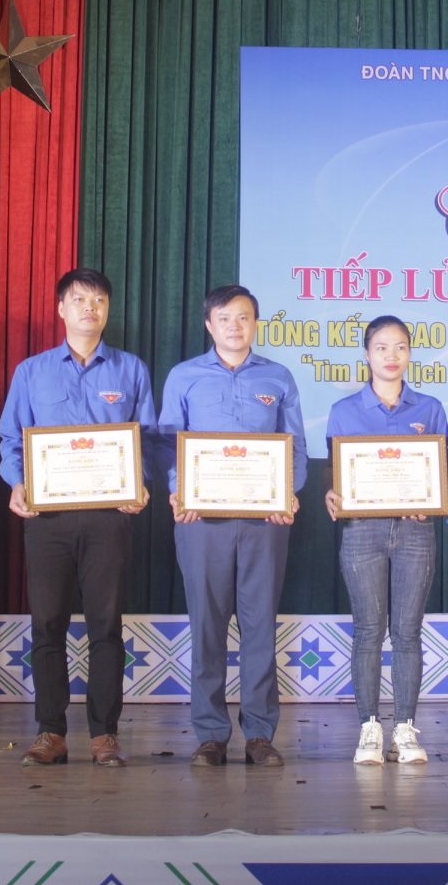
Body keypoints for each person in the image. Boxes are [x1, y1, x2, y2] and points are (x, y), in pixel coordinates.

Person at [0, 269, 155, 767]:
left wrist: (140, 482)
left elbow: (148, 439)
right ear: (61, 309)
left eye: (99, 299)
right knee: (47, 624)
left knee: (106, 626)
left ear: (108, 309)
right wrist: (17, 483)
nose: (91, 307)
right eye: (80, 299)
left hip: (110, 517)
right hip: (48, 518)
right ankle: (50, 732)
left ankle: (105, 734)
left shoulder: (131, 370)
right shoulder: (31, 372)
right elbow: (11, 439)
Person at [163, 284, 307, 767]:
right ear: (209, 324)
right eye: (224, 318)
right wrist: (178, 489)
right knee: (207, 625)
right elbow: (169, 444)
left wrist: (289, 492)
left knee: (259, 625)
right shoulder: (183, 376)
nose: (234, 326)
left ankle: (259, 734)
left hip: (265, 520)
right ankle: (210, 734)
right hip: (201, 520)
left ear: (256, 323)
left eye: (243, 317)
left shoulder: (278, 377)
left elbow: (295, 445)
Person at [322, 316, 445, 765]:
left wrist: (432, 499)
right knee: (369, 631)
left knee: (408, 632)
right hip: (362, 531)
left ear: (410, 353)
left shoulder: (430, 408)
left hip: (415, 531)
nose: (391, 356)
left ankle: (406, 728)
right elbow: (336, 475)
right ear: (367, 354)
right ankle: (370, 727)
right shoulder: (344, 410)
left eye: (400, 347)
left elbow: (442, 472)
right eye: (381, 348)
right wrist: (332, 494)